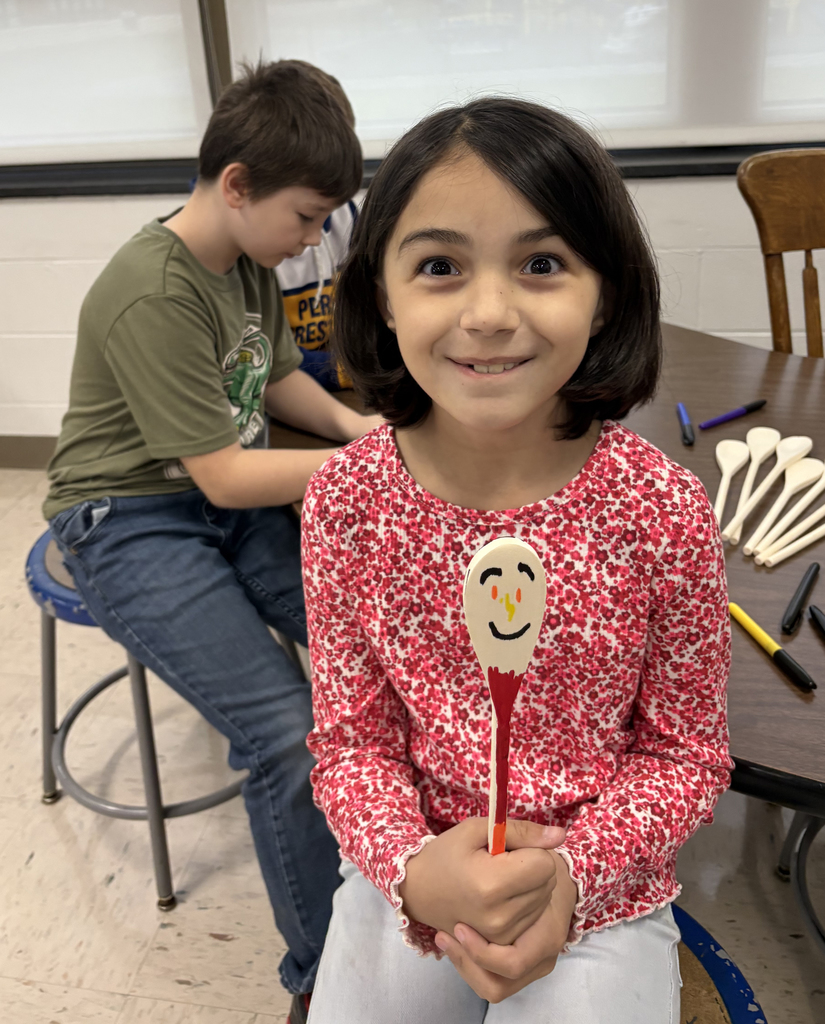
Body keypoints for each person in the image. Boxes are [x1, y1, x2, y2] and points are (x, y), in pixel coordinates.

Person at [300, 98, 732, 1023]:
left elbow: (685, 755)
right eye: (439, 266)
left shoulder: (660, 509)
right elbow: (351, 747)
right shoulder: (345, 502)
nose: (488, 313)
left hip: (598, 884)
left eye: (541, 264)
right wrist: (415, 873)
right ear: (382, 292)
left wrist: (570, 878)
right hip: (408, 864)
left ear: (604, 289)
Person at [42, 60, 381, 1013]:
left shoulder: (248, 263)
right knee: (288, 735)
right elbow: (227, 473)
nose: (314, 239)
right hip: (127, 517)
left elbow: (272, 380)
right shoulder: (154, 289)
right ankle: (324, 982)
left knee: (375, 641)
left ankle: (402, 862)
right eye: (308, 216)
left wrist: (356, 428)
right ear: (236, 186)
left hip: (214, 505)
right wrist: (371, 468)